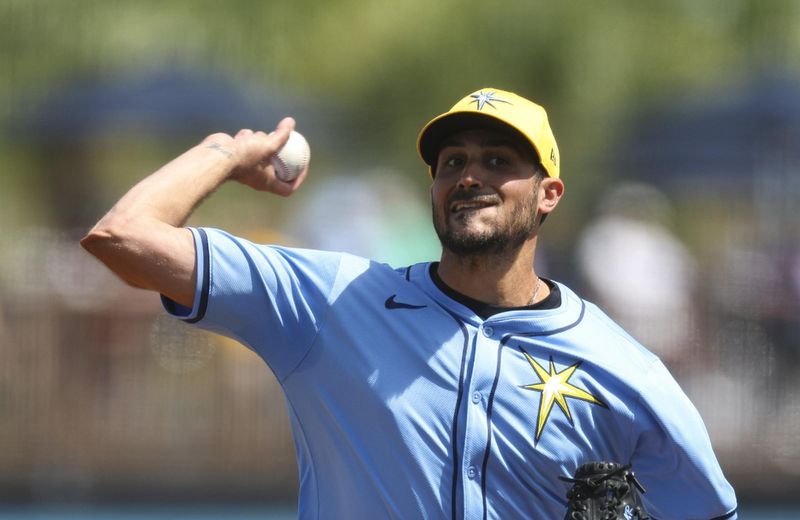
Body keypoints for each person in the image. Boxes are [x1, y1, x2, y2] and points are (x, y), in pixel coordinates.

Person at [81, 88, 737, 519]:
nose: (469, 175)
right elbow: (122, 238)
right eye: (451, 162)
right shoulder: (330, 303)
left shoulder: (622, 368)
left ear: (549, 194)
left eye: (498, 159)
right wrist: (224, 153)